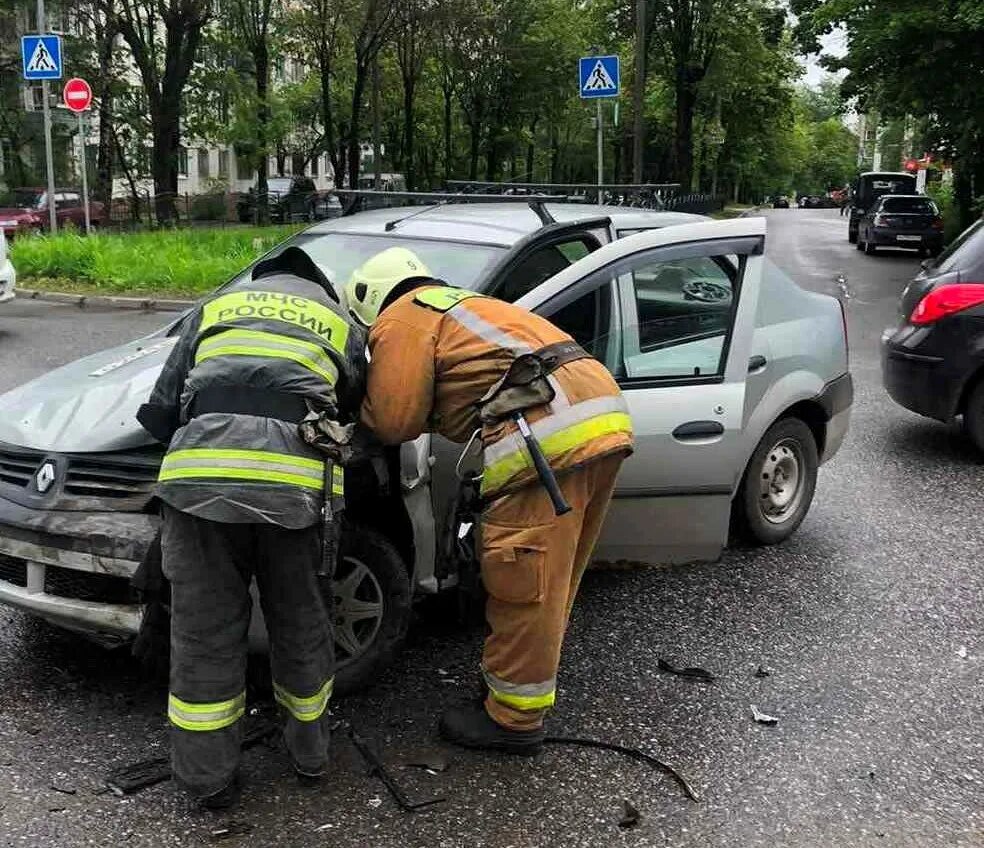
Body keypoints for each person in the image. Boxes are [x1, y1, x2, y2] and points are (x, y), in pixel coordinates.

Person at [346, 247, 634, 755]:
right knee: (551, 576)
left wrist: (353, 422)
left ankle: (513, 721)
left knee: (522, 574)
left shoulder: (405, 316)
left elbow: (394, 419)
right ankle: (515, 684)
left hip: (549, 431)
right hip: (600, 413)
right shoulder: (464, 305)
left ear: (369, 302)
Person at [136, 247, 366, 808]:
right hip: (296, 491)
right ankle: (310, 757)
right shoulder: (342, 324)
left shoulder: (215, 306)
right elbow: (358, 410)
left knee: (204, 633)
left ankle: (207, 780)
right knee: (302, 621)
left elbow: (162, 406)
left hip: (200, 485)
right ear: (318, 287)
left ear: (260, 281)